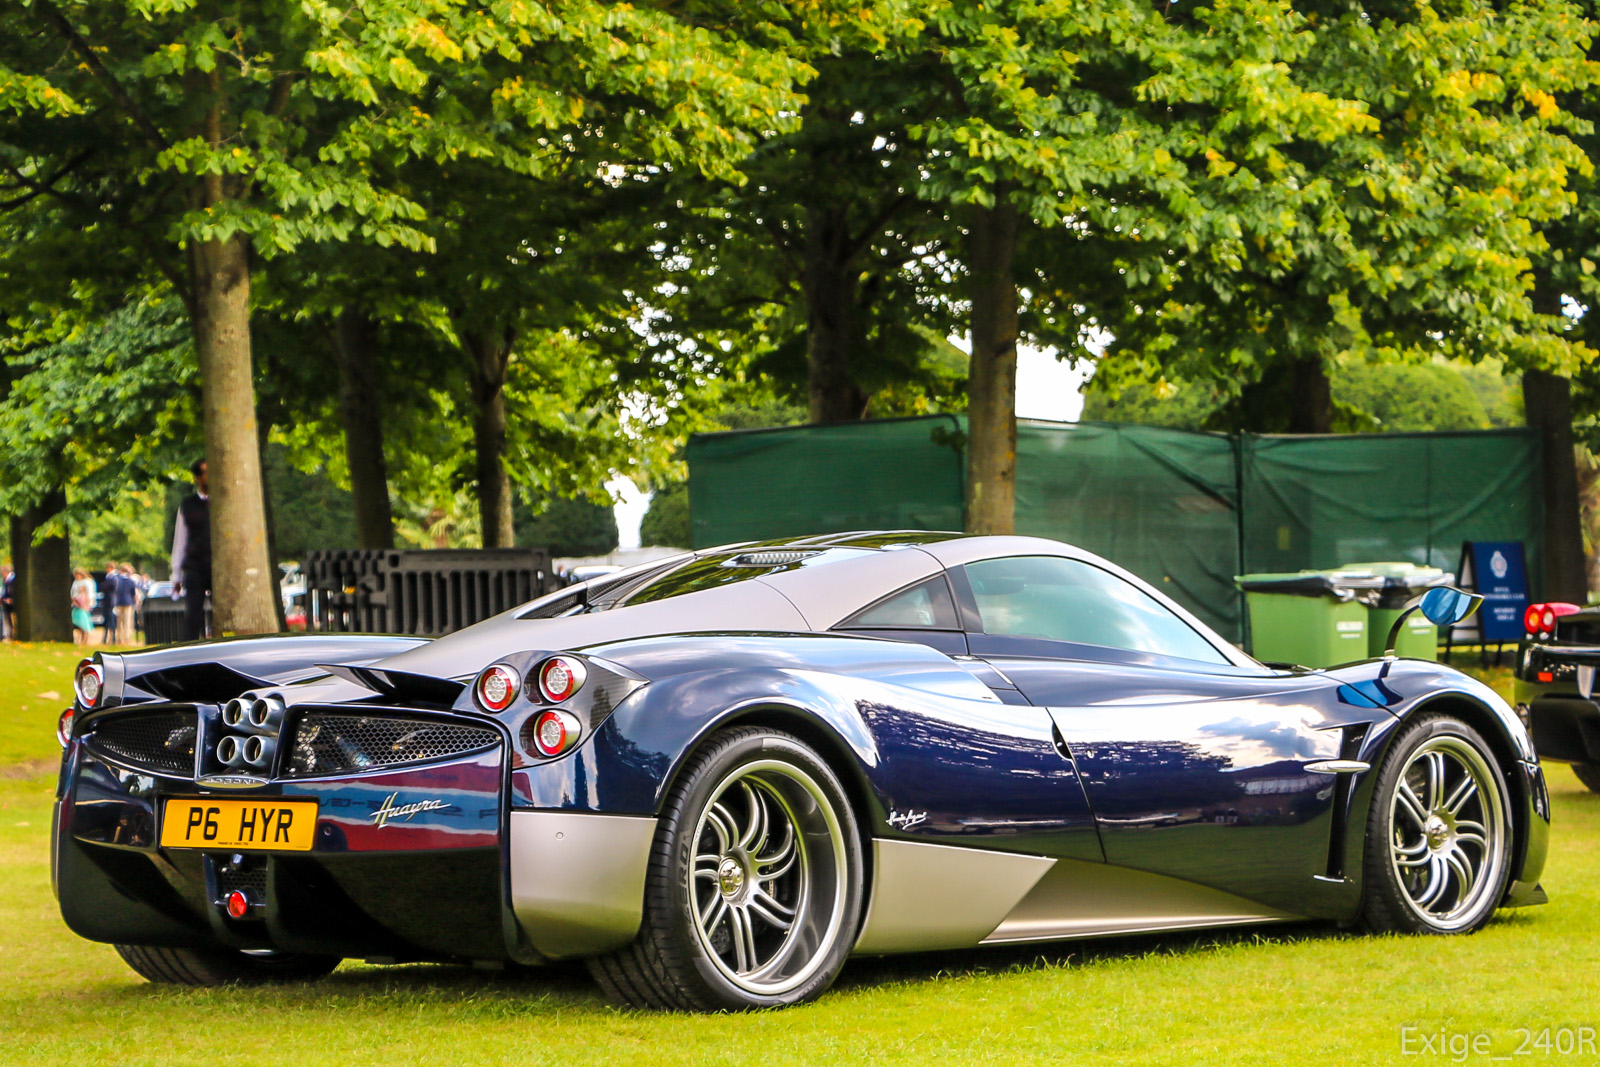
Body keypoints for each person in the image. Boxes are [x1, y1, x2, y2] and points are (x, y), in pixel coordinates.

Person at [171, 458, 212, 642]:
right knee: (193, 614)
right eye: (206, 473)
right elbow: (180, 541)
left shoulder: (225, 503)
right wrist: (176, 575)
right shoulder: (187, 506)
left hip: (220, 567)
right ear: (197, 477)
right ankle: (189, 649)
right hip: (195, 565)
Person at [114, 562, 140, 647]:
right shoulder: (130, 581)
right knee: (127, 621)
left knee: (119, 621)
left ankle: (119, 639)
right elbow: (133, 593)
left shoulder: (117, 580)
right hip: (128, 602)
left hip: (118, 602)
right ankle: (126, 638)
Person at [70, 568, 96, 647]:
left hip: (83, 605)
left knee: (84, 623)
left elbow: (90, 594)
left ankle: (84, 640)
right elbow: (72, 592)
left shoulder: (87, 582)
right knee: (78, 622)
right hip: (76, 604)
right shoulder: (76, 582)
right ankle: (81, 639)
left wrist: (87, 605)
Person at [98, 561, 120, 644]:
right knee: (108, 619)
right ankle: (108, 638)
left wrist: (103, 586)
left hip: (110, 601)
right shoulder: (111, 577)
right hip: (109, 600)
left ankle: (111, 638)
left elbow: (105, 586)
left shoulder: (113, 577)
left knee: (110, 619)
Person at [1, 562, 15, 641]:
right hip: (6, 603)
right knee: (8, 620)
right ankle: (10, 635)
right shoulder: (6, 580)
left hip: (10, 604)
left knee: (12, 620)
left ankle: (13, 635)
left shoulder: (11, 580)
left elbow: (11, 591)